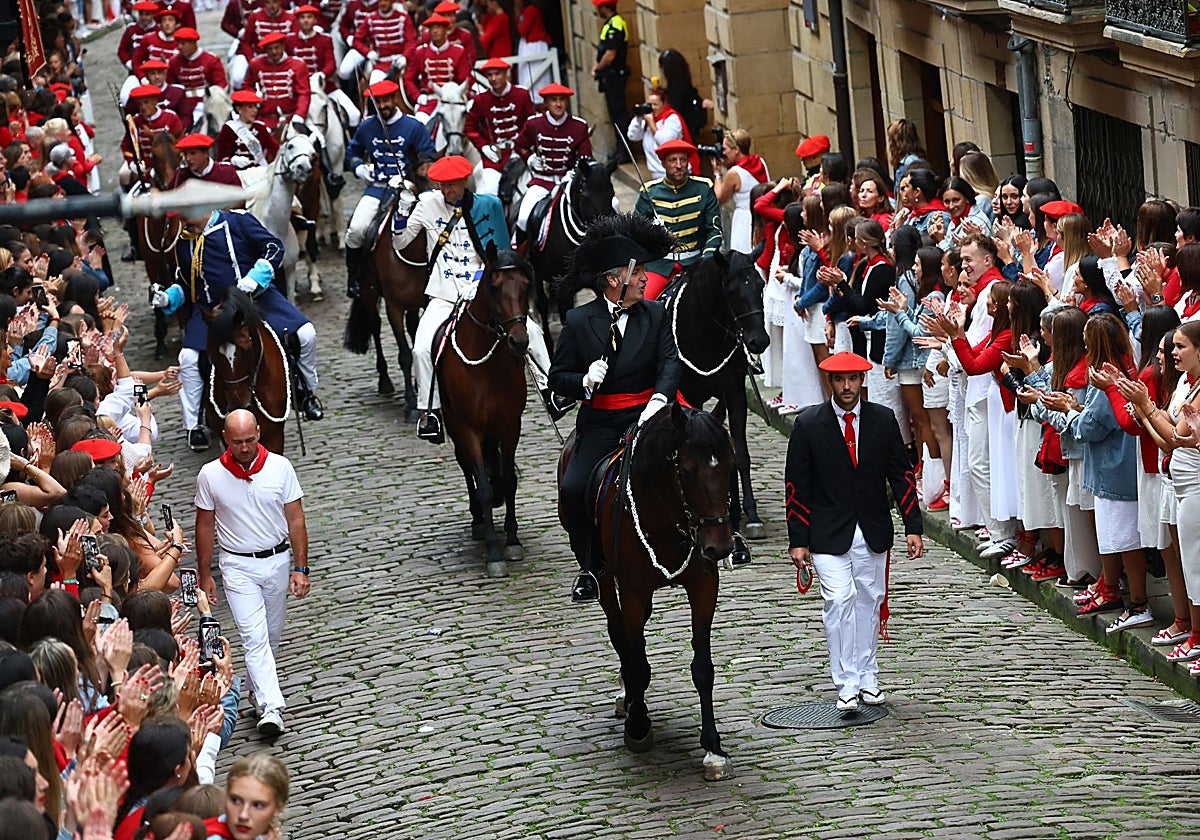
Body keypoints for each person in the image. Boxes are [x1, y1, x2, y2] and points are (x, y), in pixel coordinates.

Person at [549, 213, 680, 602]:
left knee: (705, 458)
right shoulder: (578, 321)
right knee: (573, 488)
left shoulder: (655, 313)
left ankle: (721, 535)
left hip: (650, 415)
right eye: (636, 273)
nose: (644, 279)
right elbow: (558, 378)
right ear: (613, 280)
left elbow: (670, 362)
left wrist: (659, 400)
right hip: (603, 421)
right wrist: (583, 381)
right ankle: (590, 566)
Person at [785, 351, 923, 711]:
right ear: (830, 382)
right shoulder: (808, 424)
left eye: (852, 379)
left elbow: (901, 475)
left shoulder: (882, 419)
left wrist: (913, 526)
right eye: (839, 380)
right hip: (826, 531)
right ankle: (845, 682)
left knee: (869, 601)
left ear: (862, 380)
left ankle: (867, 676)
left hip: (872, 529)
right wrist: (798, 540)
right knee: (839, 600)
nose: (846, 387)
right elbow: (796, 485)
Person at [391, 155, 557, 443]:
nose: (447, 191)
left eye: (452, 185)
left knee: (532, 331)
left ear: (465, 181)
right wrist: (403, 208)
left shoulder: (487, 206)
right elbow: (400, 241)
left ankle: (550, 390)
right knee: (420, 349)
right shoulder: (427, 205)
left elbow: (503, 257)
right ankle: (431, 412)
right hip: (444, 294)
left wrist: (483, 282)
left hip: (482, 292)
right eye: (442, 185)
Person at [155, 207, 325, 451]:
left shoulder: (238, 221)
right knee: (188, 358)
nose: (182, 223)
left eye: (185, 216)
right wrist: (168, 297)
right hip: (213, 308)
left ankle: (305, 392)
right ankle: (194, 425)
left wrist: (255, 278)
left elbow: (273, 248)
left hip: (258, 299)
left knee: (306, 334)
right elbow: (186, 281)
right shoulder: (185, 241)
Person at [195, 409, 311, 738]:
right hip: (237, 565)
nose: (244, 448)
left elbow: (296, 519)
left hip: (277, 560)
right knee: (253, 636)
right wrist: (205, 574)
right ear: (225, 439)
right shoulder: (210, 475)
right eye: (237, 442)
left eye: (249, 440)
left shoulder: (280, 467)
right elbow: (205, 525)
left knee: (270, 636)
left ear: (259, 433)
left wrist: (301, 568)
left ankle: (256, 691)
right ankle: (272, 707)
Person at [343, 79, 436, 300]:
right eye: (378, 102)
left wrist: (413, 178)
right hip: (378, 188)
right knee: (356, 230)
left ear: (395, 99)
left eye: (386, 100)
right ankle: (356, 279)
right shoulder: (366, 127)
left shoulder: (414, 127)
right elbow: (352, 152)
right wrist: (359, 168)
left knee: (434, 228)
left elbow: (429, 156)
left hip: (409, 189)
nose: (383, 105)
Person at [633, 138, 721, 300]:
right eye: (672, 160)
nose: (678, 165)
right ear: (663, 163)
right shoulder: (649, 192)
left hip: (695, 262)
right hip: (660, 265)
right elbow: (636, 233)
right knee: (643, 302)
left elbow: (714, 230)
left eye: (683, 160)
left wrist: (707, 258)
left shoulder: (704, 188)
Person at [509, 83, 592, 242]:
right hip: (542, 182)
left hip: (569, 182)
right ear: (546, 103)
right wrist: (530, 158)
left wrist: (574, 173)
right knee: (523, 218)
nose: (558, 104)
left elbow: (586, 157)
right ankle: (519, 251)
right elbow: (519, 145)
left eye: (562, 100)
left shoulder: (579, 126)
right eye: (553, 100)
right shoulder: (534, 123)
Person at [464, 58, 536, 197]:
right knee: (489, 191)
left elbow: (532, 123)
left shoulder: (521, 94)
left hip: (519, 152)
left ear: (506, 74)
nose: (494, 78)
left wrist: (525, 145)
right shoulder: (480, 100)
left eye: (497, 74)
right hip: (494, 158)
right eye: (489, 75)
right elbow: (469, 127)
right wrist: (483, 146)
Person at [402, 13, 471, 124]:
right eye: (431, 28)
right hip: (430, 100)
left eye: (438, 27)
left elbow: (465, 79)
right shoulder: (420, 52)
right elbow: (408, 78)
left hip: (453, 101)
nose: (434, 31)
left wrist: (459, 95)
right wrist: (418, 97)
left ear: (445, 29)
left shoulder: (458, 51)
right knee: (420, 123)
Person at [712, 129, 768, 253]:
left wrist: (717, 174)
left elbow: (719, 198)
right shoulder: (760, 161)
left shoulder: (734, 173)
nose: (723, 153)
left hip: (744, 220)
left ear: (736, 150)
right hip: (762, 216)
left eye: (725, 149)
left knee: (743, 255)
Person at [118, 84, 185, 188]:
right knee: (124, 175)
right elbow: (126, 146)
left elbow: (181, 141)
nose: (143, 107)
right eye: (139, 104)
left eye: (146, 102)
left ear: (155, 101)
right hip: (145, 167)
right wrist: (133, 163)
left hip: (171, 164)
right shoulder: (135, 122)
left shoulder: (170, 118)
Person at [244, 33, 312, 131]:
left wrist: (299, 114)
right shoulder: (256, 64)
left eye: (277, 47)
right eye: (270, 49)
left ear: (283, 46)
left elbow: (304, 93)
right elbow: (247, 86)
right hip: (266, 119)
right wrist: (254, 96)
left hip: (292, 117)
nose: (274, 52)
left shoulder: (298, 65)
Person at [338, 0, 417, 83]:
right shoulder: (371, 19)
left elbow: (411, 41)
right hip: (382, 63)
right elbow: (356, 40)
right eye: (380, 1)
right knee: (374, 84)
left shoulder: (403, 18)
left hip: (401, 60)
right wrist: (368, 52)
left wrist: (405, 56)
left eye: (386, 1)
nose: (383, 3)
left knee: (409, 81)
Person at [590, 0, 631, 161]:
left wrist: (598, 68)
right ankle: (620, 149)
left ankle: (624, 150)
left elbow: (610, 54)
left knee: (619, 113)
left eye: (599, 6)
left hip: (615, 77)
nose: (597, 9)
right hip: (610, 77)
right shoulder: (610, 23)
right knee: (615, 114)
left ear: (605, 7)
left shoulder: (616, 24)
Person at [625, 87, 695, 180]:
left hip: (676, 172)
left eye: (655, 104)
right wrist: (638, 118)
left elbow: (665, 142)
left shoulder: (672, 119)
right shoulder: (647, 119)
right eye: (650, 104)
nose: (652, 108)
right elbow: (633, 136)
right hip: (657, 173)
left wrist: (651, 123)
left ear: (664, 104)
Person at [166, 27, 226, 132]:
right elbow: (172, 87)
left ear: (193, 43)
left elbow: (220, 85)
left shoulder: (211, 60)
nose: (179, 47)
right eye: (178, 43)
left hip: (207, 102)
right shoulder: (174, 62)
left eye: (183, 44)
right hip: (184, 103)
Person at [215, 90, 280, 169]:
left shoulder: (260, 128)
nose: (255, 110)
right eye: (250, 107)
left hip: (258, 171)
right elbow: (222, 158)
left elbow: (276, 150)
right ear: (239, 108)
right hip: (236, 172)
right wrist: (232, 160)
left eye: (255, 106)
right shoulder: (229, 129)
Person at [169, 134, 243, 191]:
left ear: (206, 154)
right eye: (185, 154)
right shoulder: (180, 176)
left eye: (193, 153)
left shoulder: (226, 172)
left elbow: (239, 200)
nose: (188, 159)